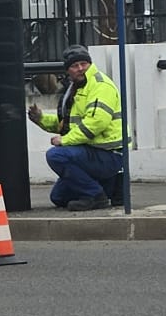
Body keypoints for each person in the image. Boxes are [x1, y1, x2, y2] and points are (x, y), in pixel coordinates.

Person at [34, 45, 125, 210]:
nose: (80, 68)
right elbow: (68, 123)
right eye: (75, 66)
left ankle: (96, 195)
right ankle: (109, 185)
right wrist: (41, 119)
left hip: (108, 154)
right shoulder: (75, 87)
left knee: (56, 156)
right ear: (68, 70)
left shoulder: (100, 85)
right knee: (58, 197)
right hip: (92, 152)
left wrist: (64, 140)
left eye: (84, 64)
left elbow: (96, 123)